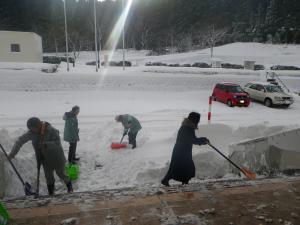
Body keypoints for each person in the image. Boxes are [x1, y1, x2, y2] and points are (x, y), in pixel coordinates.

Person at [8, 117, 73, 196]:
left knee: (61, 174)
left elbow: (57, 143)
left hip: (56, 157)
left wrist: (46, 144)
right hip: (44, 159)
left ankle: (70, 188)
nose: (32, 130)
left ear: (38, 125)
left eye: (33, 128)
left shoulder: (51, 130)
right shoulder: (32, 133)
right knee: (49, 178)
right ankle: (51, 193)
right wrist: (12, 154)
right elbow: (20, 141)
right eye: (30, 129)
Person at [161, 112, 209, 186]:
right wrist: (203, 140)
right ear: (194, 120)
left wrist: (202, 140)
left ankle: (179, 182)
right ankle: (182, 182)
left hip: (182, 151)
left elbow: (192, 139)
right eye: (197, 120)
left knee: (177, 167)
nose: (198, 122)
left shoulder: (188, 127)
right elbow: (192, 140)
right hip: (181, 152)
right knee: (186, 168)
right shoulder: (187, 128)